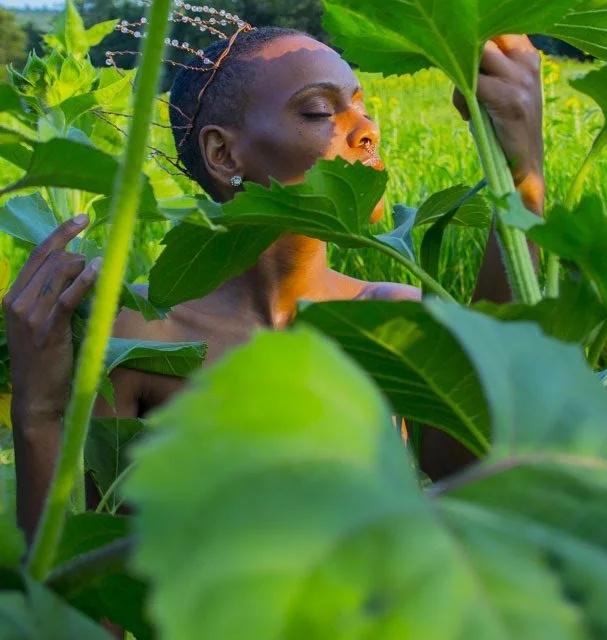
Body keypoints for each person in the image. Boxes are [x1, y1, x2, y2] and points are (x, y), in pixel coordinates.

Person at [4, 27, 544, 543]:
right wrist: (36, 416)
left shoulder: (394, 318)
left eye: (361, 104)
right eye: (318, 110)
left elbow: (482, 457)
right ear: (223, 155)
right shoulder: (138, 335)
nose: (365, 130)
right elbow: (81, 584)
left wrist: (522, 176)